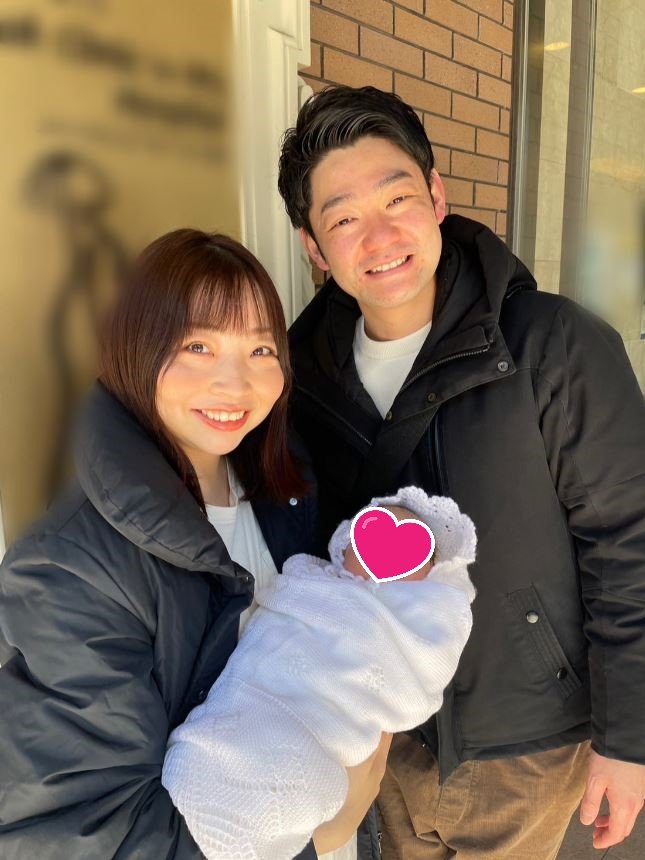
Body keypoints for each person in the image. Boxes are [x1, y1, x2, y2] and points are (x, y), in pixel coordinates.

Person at [278, 85, 645, 858]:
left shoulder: (552, 345)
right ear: (314, 247)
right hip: (384, 738)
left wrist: (629, 738)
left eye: (397, 199)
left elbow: (628, 541)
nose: (379, 237)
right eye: (343, 219)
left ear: (436, 196)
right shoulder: (301, 378)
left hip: (525, 745)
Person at [0, 228, 389, 859]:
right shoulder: (71, 569)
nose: (235, 384)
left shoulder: (280, 480)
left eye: (260, 349)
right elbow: (89, 830)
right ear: (136, 350)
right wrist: (321, 838)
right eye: (198, 346)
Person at [162, 488, 476, 860]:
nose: (387, 556)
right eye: (371, 532)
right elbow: (281, 602)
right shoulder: (314, 581)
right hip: (257, 700)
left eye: (416, 551)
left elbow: (417, 680)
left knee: (296, 787)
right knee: (210, 765)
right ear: (346, 544)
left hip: (325, 735)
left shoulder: (406, 629)